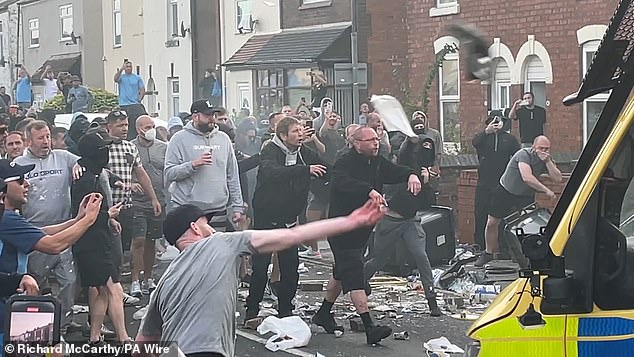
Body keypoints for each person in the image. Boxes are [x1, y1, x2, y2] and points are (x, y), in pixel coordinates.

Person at [136, 199, 386, 357]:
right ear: (194, 227)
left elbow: (143, 344)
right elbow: (290, 236)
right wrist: (351, 221)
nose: (212, 228)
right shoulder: (220, 243)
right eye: (206, 222)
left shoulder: (165, 281)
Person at [313, 127, 422, 345]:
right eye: (371, 140)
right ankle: (370, 327)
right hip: (342, 227)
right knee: (354, 276)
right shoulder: (345, 161)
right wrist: (368, 190)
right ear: (356, 143)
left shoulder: (378, 161)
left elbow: (396, 171)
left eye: (377, 138)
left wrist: (411, 174)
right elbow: (342, 183)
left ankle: (323, 313)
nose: (376, 142)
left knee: (341, 272)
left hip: (362, 228)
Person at [0, 159, 102, 347]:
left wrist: (77, 219)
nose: (27, 184)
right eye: (20, 180)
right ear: (3, 192)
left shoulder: (9, 218)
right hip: (6, 311)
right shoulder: (7, 220)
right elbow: (54, 245)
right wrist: (88, 220)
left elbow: (41, 232)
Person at [244, 116, 327, 325]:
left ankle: (286, 309)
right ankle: (252, 310)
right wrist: (305, 170)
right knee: (261, 266)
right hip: (267, 218)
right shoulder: (270, 150)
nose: (300, 135)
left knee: (290, 265)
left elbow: (326, 167)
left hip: (289, 218)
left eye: (301, 131)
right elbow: (273, 173)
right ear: (283, 135)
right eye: (295, 131)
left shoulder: (303, 153)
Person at [14, 120, 84, 333]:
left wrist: (80, 166)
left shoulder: (63, 157)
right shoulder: (20, 163)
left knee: (69, 280)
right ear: (29, 141)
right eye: (40, 138)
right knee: (35, 282)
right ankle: (35, 326)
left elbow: (86, 162)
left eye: (47, 137)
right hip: (34, 232)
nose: (46, 142)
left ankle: (63, 324)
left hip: (64, 229)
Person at [71, 131, 131, 343]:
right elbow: (85, 215)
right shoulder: (85, 178)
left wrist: (109, 219)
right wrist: (109, 214)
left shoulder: (92, 173)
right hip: (91, 242)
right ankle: (124, 337)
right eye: (102, 149)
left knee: (102, 290)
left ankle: (95, 336)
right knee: (114, 288)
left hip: (94, 239)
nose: (107, 152)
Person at [475, 135, 562, 266]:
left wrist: (548, 162)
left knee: (527, 224)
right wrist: (545, 190)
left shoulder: (546, 159)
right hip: (505, 190)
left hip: (525, 194)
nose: (544, 151)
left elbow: (558, 178)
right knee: (492, 222)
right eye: (541, 148)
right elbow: (526, 177)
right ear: (533, 147)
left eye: (547, 149)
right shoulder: (524, 154)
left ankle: (527, 255)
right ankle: (488, 253)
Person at [164, 100, 244, 231]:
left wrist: (237, 206)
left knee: (216, 249)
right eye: (207, 116)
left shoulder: (224, 139)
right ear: (195, 117)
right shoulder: (178, 139)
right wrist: (193, 165)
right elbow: (169, 173)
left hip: (218, 209)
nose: (212, 119)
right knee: (192, 249)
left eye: (213, 115)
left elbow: (232, 175)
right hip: (188, 208)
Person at [106, 109, 161, 256]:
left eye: (125, 125)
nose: (124, 129)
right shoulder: (102, 147)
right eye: (120, 126)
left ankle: (128, 274)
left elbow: (141, 174)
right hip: (108, 206)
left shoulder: (130, 147)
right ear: (109, 127)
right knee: (109, 247)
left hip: (127, 206)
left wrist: (153, 198)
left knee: (127, 246)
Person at [129, 116, 167, 296]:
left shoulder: (163, 148)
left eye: (153, 126)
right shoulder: (130, 147)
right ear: (138, 130)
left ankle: (149, 277)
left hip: (158, 200)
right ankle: (135, 279)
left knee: (152, 240)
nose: (151, 129)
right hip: (137, 201)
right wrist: (130, 183)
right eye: (147, 127)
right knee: (138, 240)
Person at [472, 111, 520, 249]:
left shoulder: (509, 139)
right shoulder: (483, 138)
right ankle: (480, 246)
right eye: (493, 121)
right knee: (481, 214)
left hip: (502, 183)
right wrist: (487, 132)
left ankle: (504, 247)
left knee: (502, 216)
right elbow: (475, 143)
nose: (496, 125)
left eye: (499, 122)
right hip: (484, 182)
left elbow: (517, 155)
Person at [113, 60, 147, 139]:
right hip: (124, 105)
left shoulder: (137, 78)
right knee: (125, 124)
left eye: (130, 67)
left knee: (136, 123)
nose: (128, 68)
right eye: (127, 67)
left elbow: (142, 89)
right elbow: (115, 79)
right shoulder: (121, 77)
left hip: (134, 104)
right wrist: (121, 69)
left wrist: (139, 99)